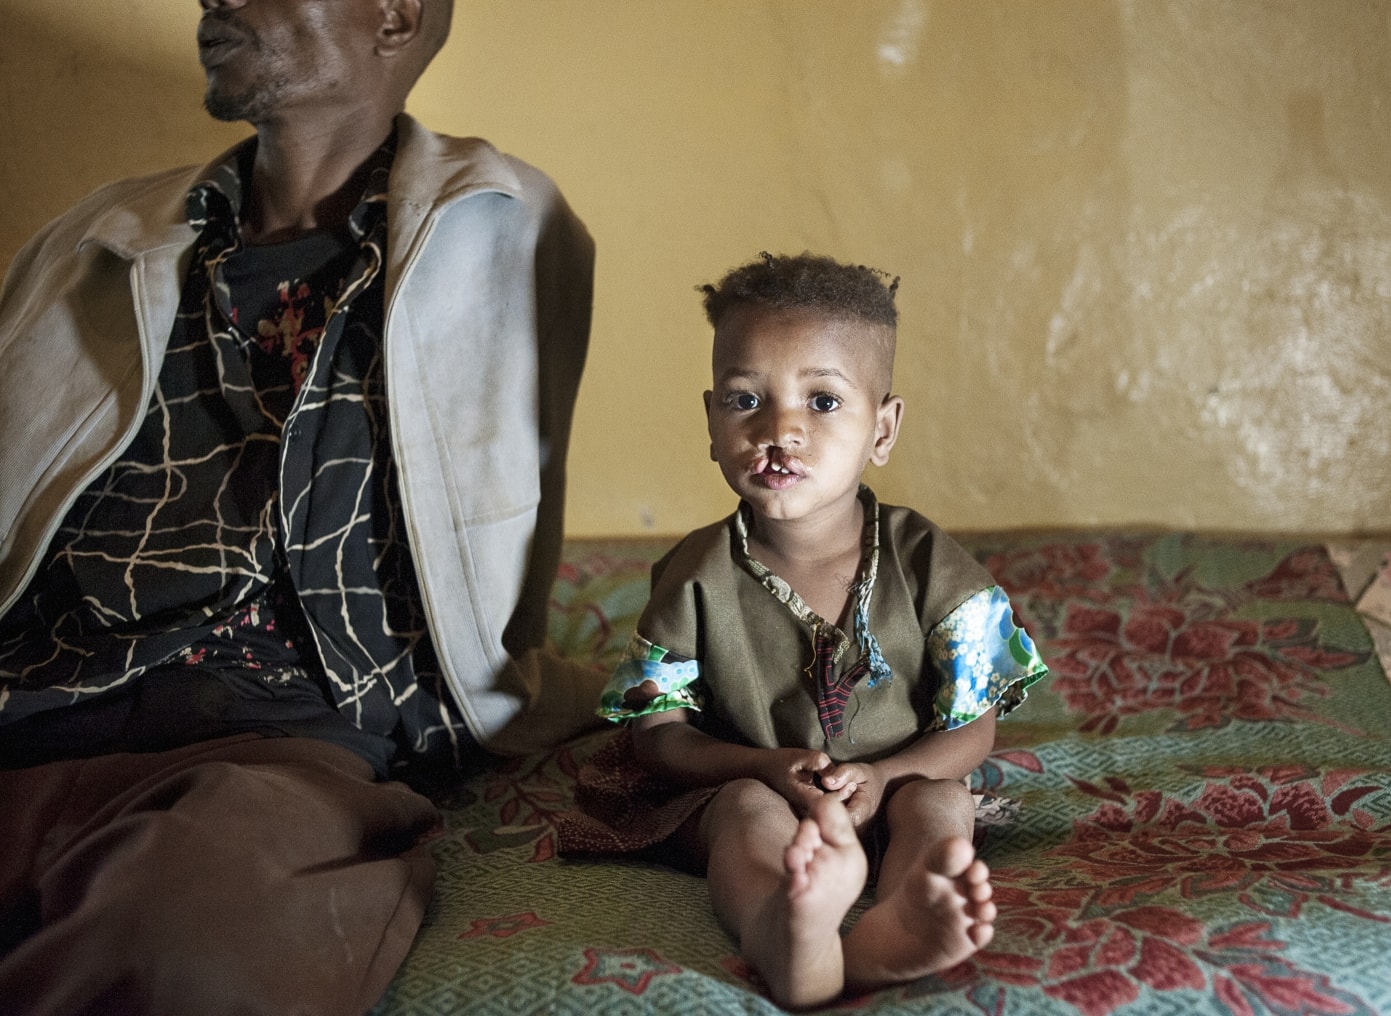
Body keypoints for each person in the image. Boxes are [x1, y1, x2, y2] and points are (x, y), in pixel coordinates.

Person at [0, 0, 597, 1012]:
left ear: (397, 15)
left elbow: (505, 533)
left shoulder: (499, 223)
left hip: (269, 740)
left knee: (183, 948)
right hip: (34, 704)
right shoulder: (97, 238)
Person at [554, 252, 1048, 1008]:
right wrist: (764, 767)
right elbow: (660, 739)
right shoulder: (695, 576)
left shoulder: (930, 567)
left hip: (895, 782)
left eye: (822, 402)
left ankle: (894, 922)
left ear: (882, 430)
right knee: (745, 820)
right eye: (744, 399)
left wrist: (883, 778)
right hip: (751, 785)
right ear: (711, 423)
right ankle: (785, 932)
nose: (778, 430)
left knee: (941, 803)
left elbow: (972, 731)